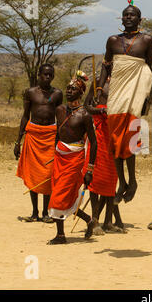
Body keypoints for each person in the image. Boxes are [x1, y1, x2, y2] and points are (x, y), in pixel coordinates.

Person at [95, 0, 152, 204]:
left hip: (136, 91)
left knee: (130, 136)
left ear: (139, 19)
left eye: (132, 15)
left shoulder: (147, 40)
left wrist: (146, 97)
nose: (128, 18)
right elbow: (106, 66)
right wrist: (100, 88)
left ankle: (133, 180)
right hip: (117, 92)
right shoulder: (112, 40)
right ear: (121, 18)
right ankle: (122, 182)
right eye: (125, 15)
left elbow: (148, 69)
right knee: (115, 138)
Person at [47, 71, 98, 245]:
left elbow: (94, 143)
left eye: (73, 89)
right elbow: (57, 134)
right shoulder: (59, 110)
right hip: (60, 156)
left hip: (75, 159)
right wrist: (54, 152)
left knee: (59, 196)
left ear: (81, 92)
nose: (69, 91)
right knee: (64, 195)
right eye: (68, 88)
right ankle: (89, 220)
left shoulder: (85, 115)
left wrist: (89, 170)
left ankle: (61, 236)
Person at [15, 64, 63, 223]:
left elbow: (60, 117)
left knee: (48, 175)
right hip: (33, 136)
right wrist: (18, 140)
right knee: (33, 174)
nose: (48, 77)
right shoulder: (30, 93)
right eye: (45, 75)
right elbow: (25, 116)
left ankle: (46, 212)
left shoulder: (57, 94)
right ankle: (35, 212)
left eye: (50, 75)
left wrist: (61, 139)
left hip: (50, 136)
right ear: (39, 75)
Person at [83, 81, 126, 234]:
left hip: (116, 133)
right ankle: (95, 220)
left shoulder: (125, 83)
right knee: (96, 178)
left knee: (112, 178)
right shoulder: (98, 85)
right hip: (100, 135)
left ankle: (108, 221)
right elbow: (86, 107)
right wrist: (99, 111)